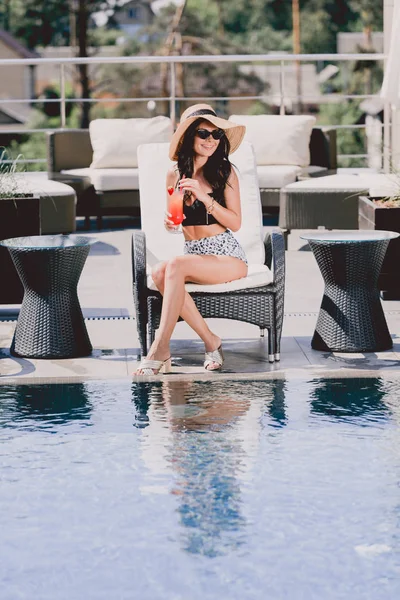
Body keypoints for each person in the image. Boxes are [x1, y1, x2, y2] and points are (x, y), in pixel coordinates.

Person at [135, 103, 247, 375]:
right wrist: (170, 224)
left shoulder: (225, 172)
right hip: (194, 253)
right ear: (188, 137)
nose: (211, 140)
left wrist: (204, 196)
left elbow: (236, 222)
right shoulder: (175, 175)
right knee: (162, 271)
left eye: (216, 135)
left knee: (172, 266)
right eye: (203, 134)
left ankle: (160, 347)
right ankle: (211, 341)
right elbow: (176, 223)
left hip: (227, 254)